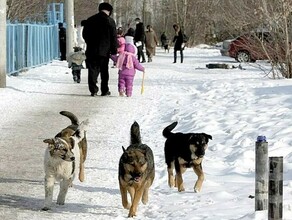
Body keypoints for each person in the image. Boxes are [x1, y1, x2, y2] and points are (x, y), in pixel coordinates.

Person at [82, 2, 118, 96]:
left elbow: (84, 34)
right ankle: (104, 90)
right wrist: (114, 50)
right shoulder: (110, 21)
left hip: (91, 50)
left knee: (92, 70)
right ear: (109, 11)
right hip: (104, 51)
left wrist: (89, 43)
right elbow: (113, 37)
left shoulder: (90, 20)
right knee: (104, 71)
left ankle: (93, 90)